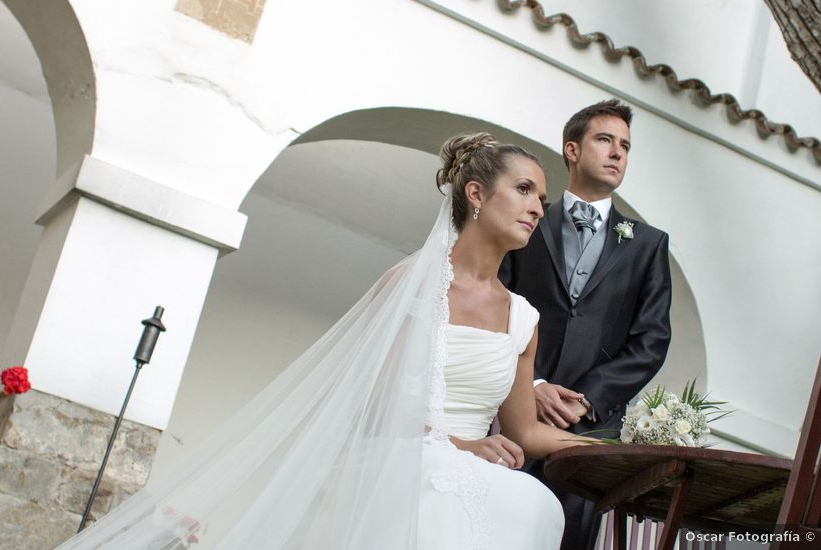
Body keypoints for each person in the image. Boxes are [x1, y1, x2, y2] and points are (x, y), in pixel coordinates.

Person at [58, 133, 587, 550]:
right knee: (472, 494)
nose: (539, 207)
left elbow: (526, 432)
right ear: (475, 193)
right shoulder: (412, 285)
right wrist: (463, 446)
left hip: (475, 464)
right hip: (402, 456)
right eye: (524, 190)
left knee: (537, 504)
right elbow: (379, 406)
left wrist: (621, 448)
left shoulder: (524, 318)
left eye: (542, 197)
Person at [499, 100, 672, 550]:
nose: (617, 153)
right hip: (506, 416)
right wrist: (531, 384)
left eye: (625, 147)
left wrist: (588, 400)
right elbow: (498, 305)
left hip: (588, 436)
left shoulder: (648, 245)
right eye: (604, 140)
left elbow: (651, 339)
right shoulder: (527, 220)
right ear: (572, 150)